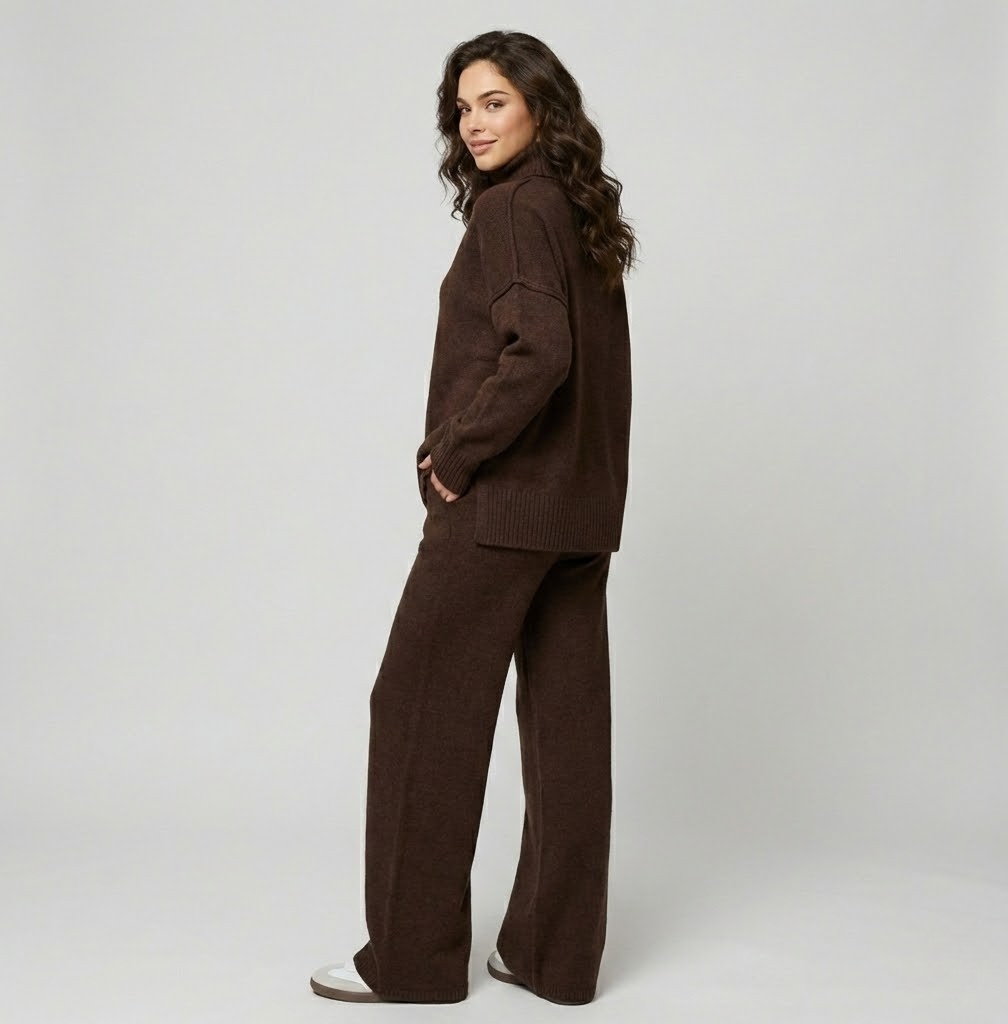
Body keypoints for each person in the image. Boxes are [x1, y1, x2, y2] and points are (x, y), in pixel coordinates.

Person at [310, 28, 636, 1006]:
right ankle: (551, 957)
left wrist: (452, 453)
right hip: (578, 517)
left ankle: (410, 962)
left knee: (416, 713)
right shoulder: (576, 208)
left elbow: (541, 354)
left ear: (541, 105)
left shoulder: (513, 210)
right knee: (565, 734)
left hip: (500, 509)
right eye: (463, 108)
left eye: (494, 102)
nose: (474, 125)